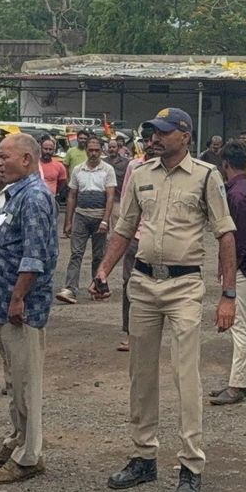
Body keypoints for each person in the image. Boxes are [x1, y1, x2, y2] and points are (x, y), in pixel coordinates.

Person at [92, 108, 237, 492]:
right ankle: (143, 456)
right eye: (151, 133)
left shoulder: (206, 176)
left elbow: (225, 234)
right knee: (140, 374)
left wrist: (228, 295)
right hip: (142, 283)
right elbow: (125, 228)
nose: (154, 139)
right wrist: (103, 270)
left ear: (185, 136)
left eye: (163, 132)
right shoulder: (140, 174)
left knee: (185, 374)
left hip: (184, 285)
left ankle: (191, 464)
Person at [0, 133, 59, 484]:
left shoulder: (35, 197)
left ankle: (29, 457)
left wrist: (18, 298)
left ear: (26, 159)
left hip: (20, 310)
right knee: (14, 382)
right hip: (1, 304)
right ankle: (18, 440)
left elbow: (35, 256)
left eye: (4, 156)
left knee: (26, 385)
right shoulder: (15, 193)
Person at [209, 142, 246, 406]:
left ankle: (237, 385)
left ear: (225, 164)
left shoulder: (237, 195)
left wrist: (227, 272)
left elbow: (237, 241)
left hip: (238, 267)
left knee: (238, 326)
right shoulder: (245, 190)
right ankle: (244, 379)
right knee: (241, 325)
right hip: (244, 265)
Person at [57, 137, 117, 304]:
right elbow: (72, 196)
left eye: (96, 150)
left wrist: (105, 221)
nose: (93, 153)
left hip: (99, 217)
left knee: (98, 255)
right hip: (81, 216)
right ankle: (70, 289)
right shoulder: (78, 170)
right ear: (86, 151)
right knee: (76, 254)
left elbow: (110, 197)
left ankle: (96, 287)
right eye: (90, 150)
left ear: (101, 151)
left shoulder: (108, 170)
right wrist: (68, 221)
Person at [115, 124, 154, 352]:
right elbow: (126, 200)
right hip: (135, 235)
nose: (150, 144)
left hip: (157, 236)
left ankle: (148, 335)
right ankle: (129, 333)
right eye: (146, 140)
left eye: (152, 140)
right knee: (129, 284)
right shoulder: (134, 166)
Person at [39, 136, 68, 201]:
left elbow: (62, 182)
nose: (48, 151)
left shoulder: (59, 166)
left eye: (50, 149)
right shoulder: (34, 164)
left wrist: (55, 192)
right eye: (45, 149)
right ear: (41, 149)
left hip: (51, 199)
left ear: (54, 151)